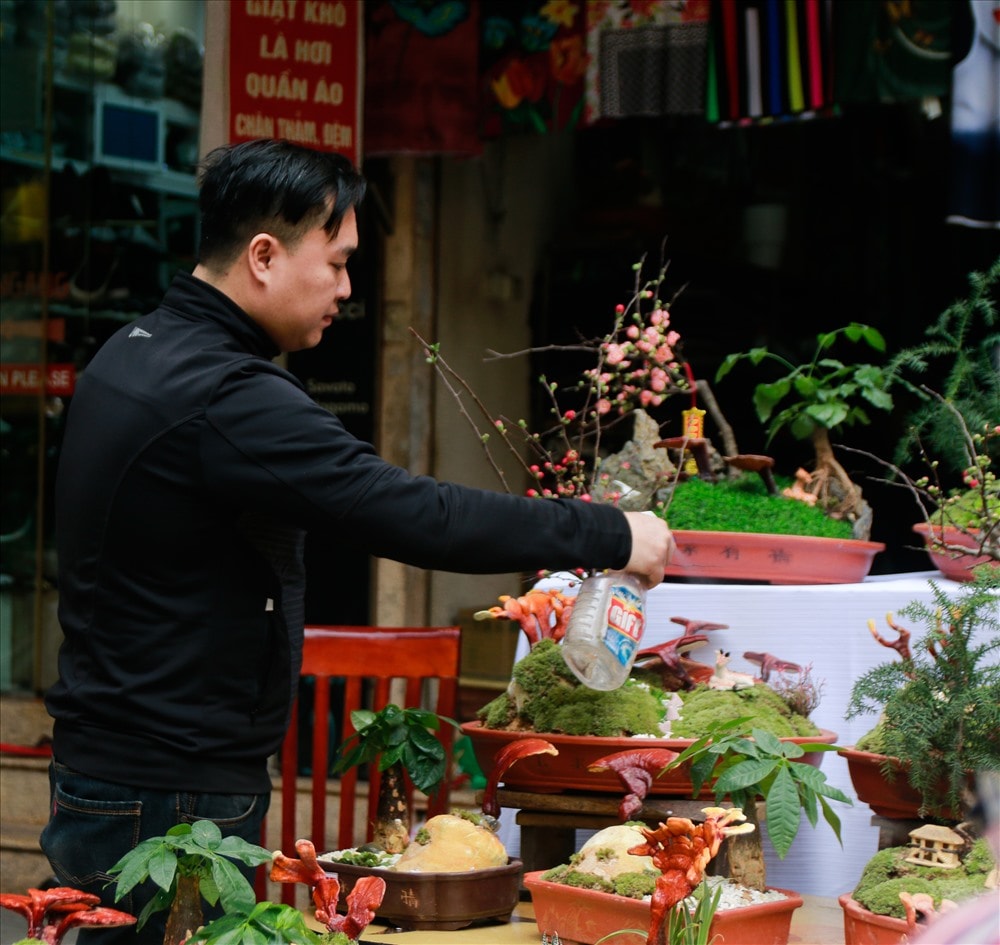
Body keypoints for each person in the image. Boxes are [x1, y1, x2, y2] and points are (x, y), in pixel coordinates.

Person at [40, 138, 674, 942]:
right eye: (336, 263)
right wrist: (608, 529)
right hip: (170, 792)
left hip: (115, 767)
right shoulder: (226, 393)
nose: (347, 287)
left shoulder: (132, 354)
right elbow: (411, 512)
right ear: (264, 255)